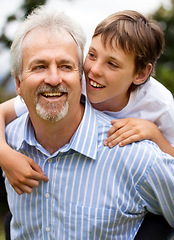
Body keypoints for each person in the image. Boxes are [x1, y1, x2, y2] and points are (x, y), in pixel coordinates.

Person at [1, 6, 174, 239]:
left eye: (112, 64)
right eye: (91, 56)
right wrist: (5, 154)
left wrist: (154, 133)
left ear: (141, 74)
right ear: (19, 83)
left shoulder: (158, 107)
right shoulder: (74, 83)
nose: (95, 70)